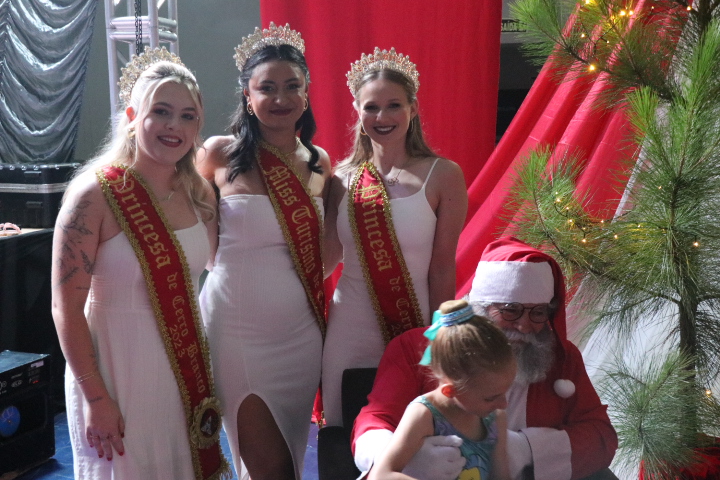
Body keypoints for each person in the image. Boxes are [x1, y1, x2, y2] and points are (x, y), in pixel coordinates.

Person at [51, 48, 228, 480]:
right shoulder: (94, 194)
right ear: (132, 116)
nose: (174, 126)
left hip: (180, 371)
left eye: (187, 116)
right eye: (161, 111)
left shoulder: (199, 194)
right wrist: (96, 399)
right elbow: (65, 308)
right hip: (114, 371)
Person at [353, 237, 618, 480]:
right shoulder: (416, 347)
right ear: (480, 308)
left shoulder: (559, 357)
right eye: (511, 310)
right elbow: (374, 420)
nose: (525, 326)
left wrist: (526, 449)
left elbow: (601, 435)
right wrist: (407, 458)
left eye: (538, 312)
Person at [196, 23, 331, 480]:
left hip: (300, 334)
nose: (280, 98)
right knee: (267, 466)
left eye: (292, 86)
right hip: (236, 330)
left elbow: (327, 248)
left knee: (290, 459)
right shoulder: (219, 154)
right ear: (247, 97)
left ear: (306, 95)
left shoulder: (319, 163)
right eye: (267, 87)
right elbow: (193, 232)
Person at [321, 47, 468, 427]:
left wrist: (441, 337)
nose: (382, 117)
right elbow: (326, 259)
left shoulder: (443, 175)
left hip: (414, 326)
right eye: (371, 107)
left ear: (413, 109)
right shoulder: (339, 180)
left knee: (416, 436)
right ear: (357, 111)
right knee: (343, 432)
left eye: (394, 106)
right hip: (348, 331)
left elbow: (441, 268)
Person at [369, 299, 515, 480]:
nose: (503, 404)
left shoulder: (494, 418)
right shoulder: (424, 415)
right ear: (450, 391)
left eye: (504, 392)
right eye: (490, 398)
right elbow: (381, 475)